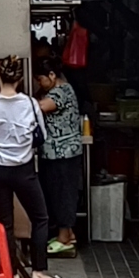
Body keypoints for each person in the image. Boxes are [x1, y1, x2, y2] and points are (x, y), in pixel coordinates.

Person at [0, 57, 62, 278]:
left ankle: (11, 274)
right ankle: (39, 271)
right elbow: (41, 135)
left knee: (5, 222)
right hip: (24, 170)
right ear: (20, 79)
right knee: (40, 218)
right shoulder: (31, 104)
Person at [35, 57, 84, 256]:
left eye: (41, 79)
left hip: (62, 154)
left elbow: (41, 107)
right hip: (57, 153)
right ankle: (68, 234)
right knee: (58, 194)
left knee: (62, 195)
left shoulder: (61, 92)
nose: (40, 84)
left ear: (52, 75)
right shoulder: (60, 89)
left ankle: (64, 238)